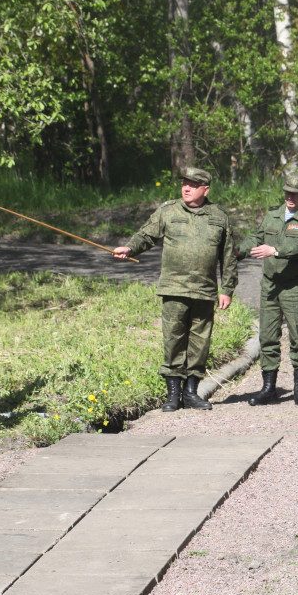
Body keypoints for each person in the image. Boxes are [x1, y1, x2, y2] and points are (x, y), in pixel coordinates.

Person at [114, 166, 237, 412]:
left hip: (204, 290)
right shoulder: (168, 211)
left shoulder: (219, 216)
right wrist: (129, 248)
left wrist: (227, 288)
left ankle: (191, 392)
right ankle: (173, 394)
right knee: (173, 340)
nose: (186, 188)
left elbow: (229, 255)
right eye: (184, 183)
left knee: (200, 342)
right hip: (174, 287)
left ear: (206, 189)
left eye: (192, 184)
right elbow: (146, 235)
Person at [239, 172, 298, 406]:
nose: (290, 197)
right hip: (271, 284)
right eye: (287, 192)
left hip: (294, 287)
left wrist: (273, 250)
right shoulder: (272, 215)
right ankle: (269, 388)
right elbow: (256, 237)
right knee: (268, 335)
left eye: (295, 193)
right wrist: (239, 251)